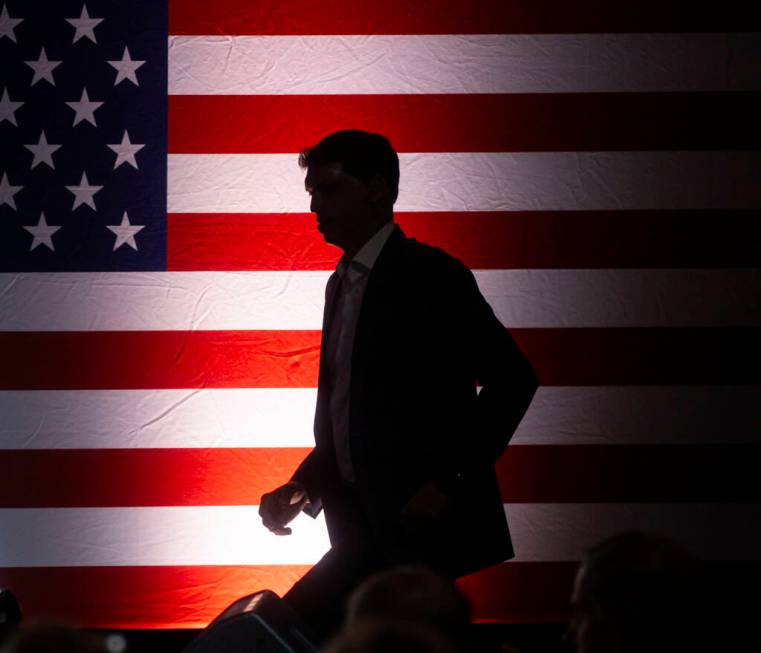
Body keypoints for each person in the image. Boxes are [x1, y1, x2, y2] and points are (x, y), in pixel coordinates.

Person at [258, 130, 538, 640]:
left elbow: (513, 379)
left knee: (288, 632)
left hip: (412, 531)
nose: (315, 206)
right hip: (359, 527)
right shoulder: (341, 282)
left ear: (376, 189)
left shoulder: (431, 275)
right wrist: (303, 485)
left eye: (328, 189)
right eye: (311, 193)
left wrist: (448, 483)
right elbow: (352, 415)